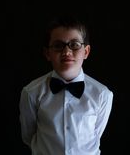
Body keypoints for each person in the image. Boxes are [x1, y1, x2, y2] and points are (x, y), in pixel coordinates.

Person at [19, 14, 114, 155]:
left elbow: (96, 134)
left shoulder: (102, 94)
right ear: (47, 53)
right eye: (58, 46)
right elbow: (29, 136)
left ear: (86, 51)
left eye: (74, 45)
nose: (67, 52)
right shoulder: (31, 92)